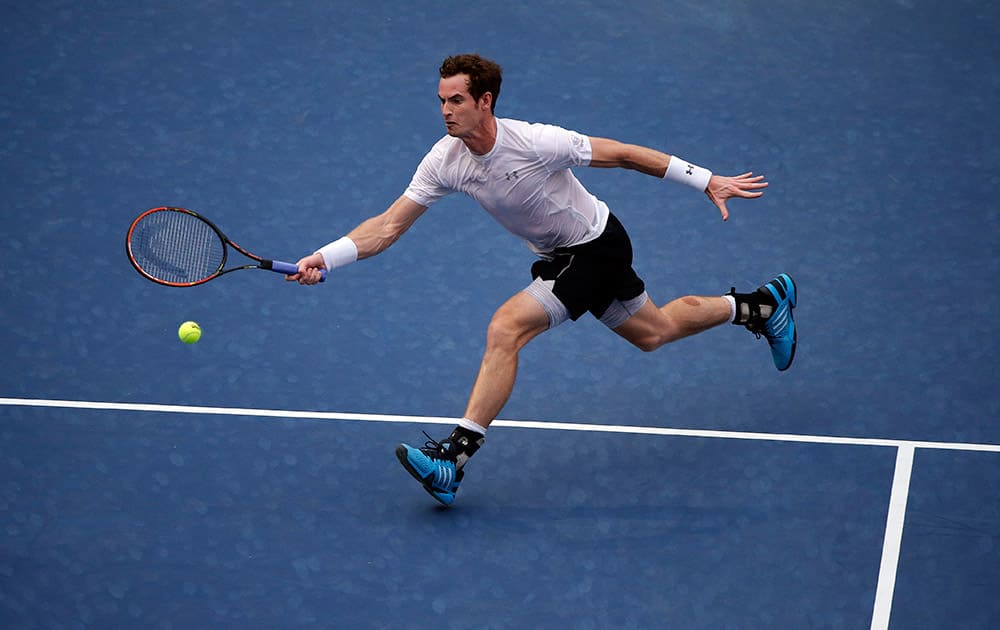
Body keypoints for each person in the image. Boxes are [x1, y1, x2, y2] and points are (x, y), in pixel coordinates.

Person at [288, 53, 796, 506]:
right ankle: (762, 306)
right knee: (654, 332)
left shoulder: (534, 142)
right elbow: (387, 226)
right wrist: (326, 259)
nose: (446, 110)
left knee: (507, 327)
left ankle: (454, 459)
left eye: (457, 100)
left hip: (597, 245)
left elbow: (621, 153)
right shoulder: (444, 161)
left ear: (485, 101)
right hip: (562, 254)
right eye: (441, 99)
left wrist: (706, 179)